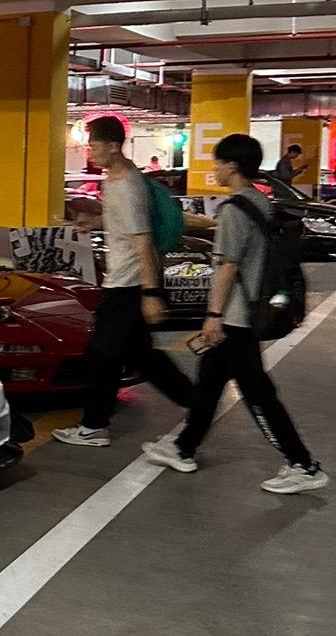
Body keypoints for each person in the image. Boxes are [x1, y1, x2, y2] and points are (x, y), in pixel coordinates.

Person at [144, 133, 326, 494]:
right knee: (210, 381)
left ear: (233, 165)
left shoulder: (233, 210)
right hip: (250, 309)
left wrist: (213, 315)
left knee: (258, 394)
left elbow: (227, 267)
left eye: (218, 162)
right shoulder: (260, 201)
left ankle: (303, 465)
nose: (214, 169)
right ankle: (183, 447)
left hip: (237, 318)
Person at [54, 114, 194, 449]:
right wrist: (95, 222)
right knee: (143, 356)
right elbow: (125, 223)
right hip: (123, 282)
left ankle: (94, 426)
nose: (89, 152)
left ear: (114, 146)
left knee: (101, 355)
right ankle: (197, 402)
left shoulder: (128, 185)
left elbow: (142, 240)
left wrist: (151, 293)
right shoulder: (115, 180)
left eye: (94, 145)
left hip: (127, 285)